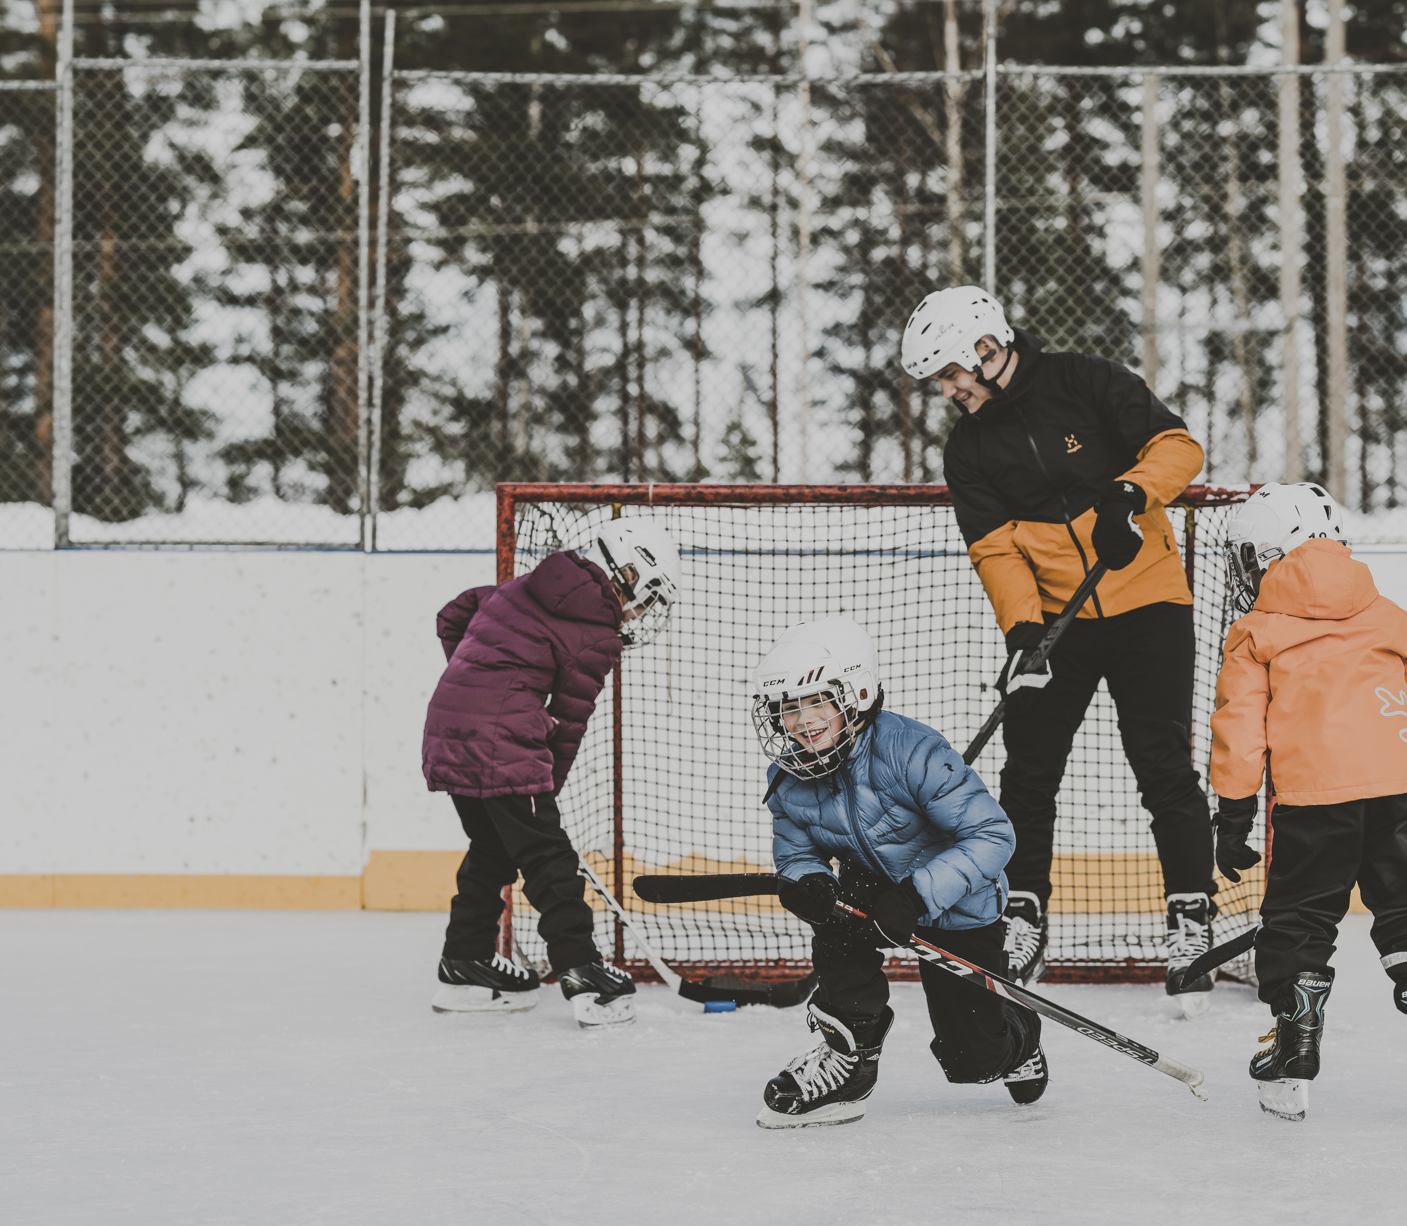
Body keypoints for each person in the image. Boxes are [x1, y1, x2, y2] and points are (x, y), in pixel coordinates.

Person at [901, 285, 1218, 1014]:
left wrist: (1128, 499)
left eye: (951, 373)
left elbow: (1179, 447)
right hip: (1056, 625)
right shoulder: (969, 446)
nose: (948, 390)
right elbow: (994, 549)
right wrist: (1023, 635)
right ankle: (1023, 913)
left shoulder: (1087, 380)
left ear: (985, 347)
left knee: (1162, 762)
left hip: (1148, 601)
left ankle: (1191, 917)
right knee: (1029, 770)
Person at [1208, 482, 1407, 1122]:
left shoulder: (1255, 631)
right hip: (1401, 789)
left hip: (1313, 799)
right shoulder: (1389, 614)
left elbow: (1239, 728)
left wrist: (1234, 814)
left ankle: (1293, 1047)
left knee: (1300, 917)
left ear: (1274, 553)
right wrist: (1405, 755)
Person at [752, 615, 1044, 1130]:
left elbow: (993, 836)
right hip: (872, 889)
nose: (801, 721)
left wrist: (916, 897)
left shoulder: (912, 750)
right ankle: (849, 1058)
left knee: (970, 1059)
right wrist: (809, 883)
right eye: (787, 708)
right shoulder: (790, 776)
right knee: (835, 918)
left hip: (956, 902)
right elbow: (797, 853)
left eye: (816, 700)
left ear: (856, 691)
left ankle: (1018, 1035)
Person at [422, 516, 681, 1029]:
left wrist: (480, 681)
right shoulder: (597, 632)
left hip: (447, 727)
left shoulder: (526, 585)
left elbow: (453, 616)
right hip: (501, 742)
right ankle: (582, 970)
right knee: (548, 856)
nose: (642, 611)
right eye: (646, 597)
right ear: (626, 575)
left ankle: (464, 963)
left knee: (493, 849)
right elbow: (568, 722)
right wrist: (544, 787)